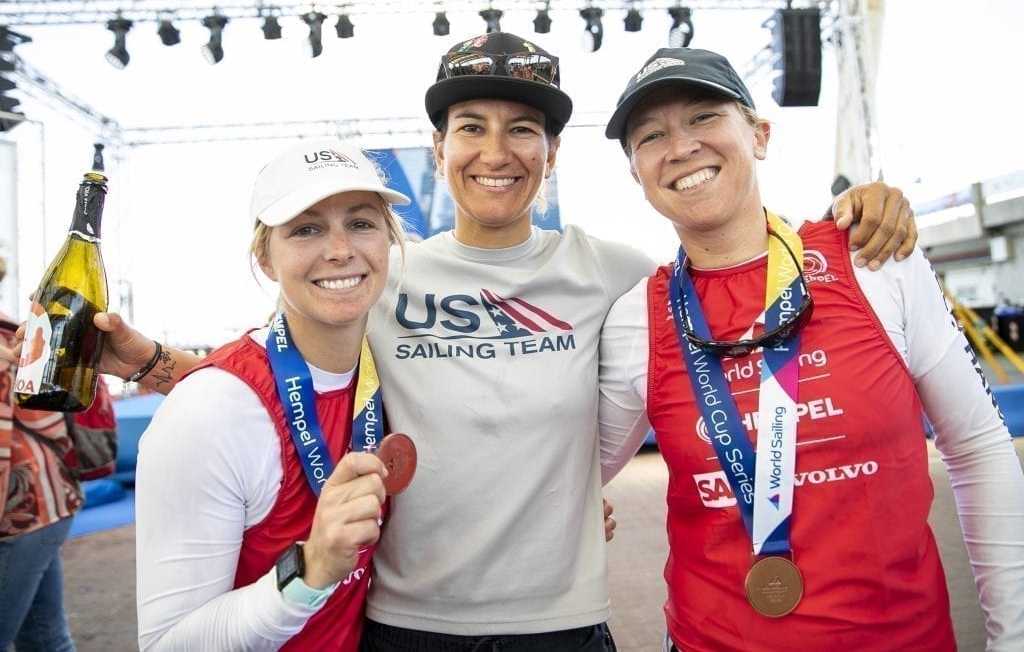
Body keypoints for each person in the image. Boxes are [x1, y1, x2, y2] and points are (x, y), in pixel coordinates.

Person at [61, 33, 917, 651]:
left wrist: (856, 213)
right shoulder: (374, 271)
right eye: (471, 126)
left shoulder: (619, 274)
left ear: (550, 156)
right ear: (439, 148)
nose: (495, 151)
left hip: (566, 623)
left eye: (523, 130)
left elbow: (735, 266)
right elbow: (283, 372)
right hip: (406, 627)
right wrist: (151, 362)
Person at [597, 47, 1024, 650]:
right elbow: (568, 474)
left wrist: (1013, 636)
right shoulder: (635, 318)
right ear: (637, 172)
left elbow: (978, 446)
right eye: (650, 136)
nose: (681, 146)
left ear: (760, 134)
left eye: (702, 117)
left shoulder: (874, 261)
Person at [132, 138, 408, 650]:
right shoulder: (210, 411)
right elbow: (167, 643)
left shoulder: (396, 369)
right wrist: (310, 571)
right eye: (306, 229)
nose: (341, 250)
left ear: (387, 241)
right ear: (265, 258)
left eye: (362, 222)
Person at [1, 254, 117, 652]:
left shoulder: (11, 344)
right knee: (45, 636)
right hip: (46, 503)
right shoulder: (16, 332)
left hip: (20, 512)